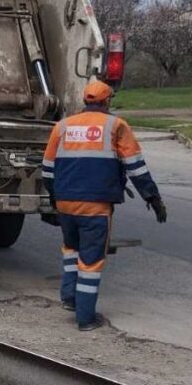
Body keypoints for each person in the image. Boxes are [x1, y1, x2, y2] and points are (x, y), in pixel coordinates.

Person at [42, 80, 167, 331]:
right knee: (91, 260)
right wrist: (153, 198)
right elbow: (136, 167)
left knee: (71, 249)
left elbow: (47, 169)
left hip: (66, 202)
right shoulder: (116, 126)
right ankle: (85, 318)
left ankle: (69, 298)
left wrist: (56, 199)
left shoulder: (63, 126)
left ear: (85, 101)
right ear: (107, 101)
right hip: (95, 206)